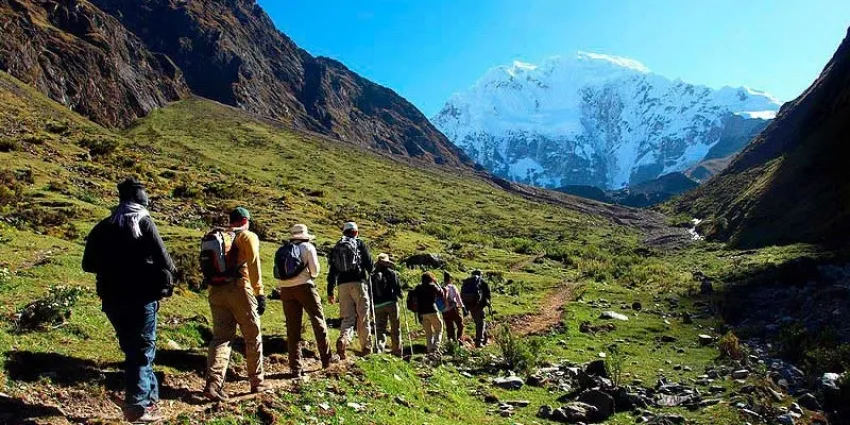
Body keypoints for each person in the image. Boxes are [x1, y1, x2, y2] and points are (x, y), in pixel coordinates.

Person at [82, 178, 176, 423]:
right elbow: (166, 261)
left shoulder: (104, 226)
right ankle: (137, 406)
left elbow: (87, 264)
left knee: (134, 349)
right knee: (142, 351)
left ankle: (150, 400)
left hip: (112, 298)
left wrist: (113, 266)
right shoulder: (143, 222)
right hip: (141, 296)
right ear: (139, 197)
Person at [203, 207, 266, 401]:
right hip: (239, 288)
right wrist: (259, 292)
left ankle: (213, 383)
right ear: (247, 220)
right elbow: (254, 263)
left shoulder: (220, 236)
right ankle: (257, 382)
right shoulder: (247, 236)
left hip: (216, 291)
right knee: (252, 335)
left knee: (221, 338)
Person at [274, 224, 334, 376]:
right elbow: (315, 271)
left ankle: (295, 367)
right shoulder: (308, 247)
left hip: (285, 289)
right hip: (304, 287)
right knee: (317, 320)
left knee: (292, 328)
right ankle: (326, 359)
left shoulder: (282, 250)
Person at [327, 222, 374, 359]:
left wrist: (330, 291)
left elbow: (332, 272)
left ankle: (344, 339)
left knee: (348, 317)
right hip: (358, 282)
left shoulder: (337, 247)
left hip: (342, 285)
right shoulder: (359, 244)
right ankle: (366, 347)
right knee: (363, 316)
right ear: (356, 232)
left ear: (344, 232)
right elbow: (369, 264)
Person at [370, 253, 403, 356]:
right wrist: (400, 295)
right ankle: (396, 350)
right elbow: (398, 289)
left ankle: (379, 350)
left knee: (380, 328)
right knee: (395, 327)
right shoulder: (392, 273)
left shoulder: (372, 276)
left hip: (378, 305)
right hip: (391, 303)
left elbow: (370, 291)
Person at [415, 272, 446, 354]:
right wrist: (437, 283)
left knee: (428, 332)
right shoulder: (432, 286)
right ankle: (436, 347)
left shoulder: (418, 287)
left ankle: (429, 349)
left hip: (422, 312)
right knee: (439, 329)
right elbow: (441, 294)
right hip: (432, 310)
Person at [461, 270, 492, 348]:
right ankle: (479, 342)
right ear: (480, 275)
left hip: (469, 306)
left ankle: (484, 339)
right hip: (478, 306)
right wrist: (485, 304)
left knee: (479, 322)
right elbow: (487, 296)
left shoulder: (466, 282)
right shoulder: (482, 283)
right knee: (481, 323)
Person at [441, 271, 466, 343]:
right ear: (450, 279)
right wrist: (462, 307)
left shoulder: (441, 287)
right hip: (454, 308)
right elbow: (458, 298)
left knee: (449, 327)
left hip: (444, 310)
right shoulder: (452, 287)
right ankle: (459, 339)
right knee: (460, 325)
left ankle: (451, 341)